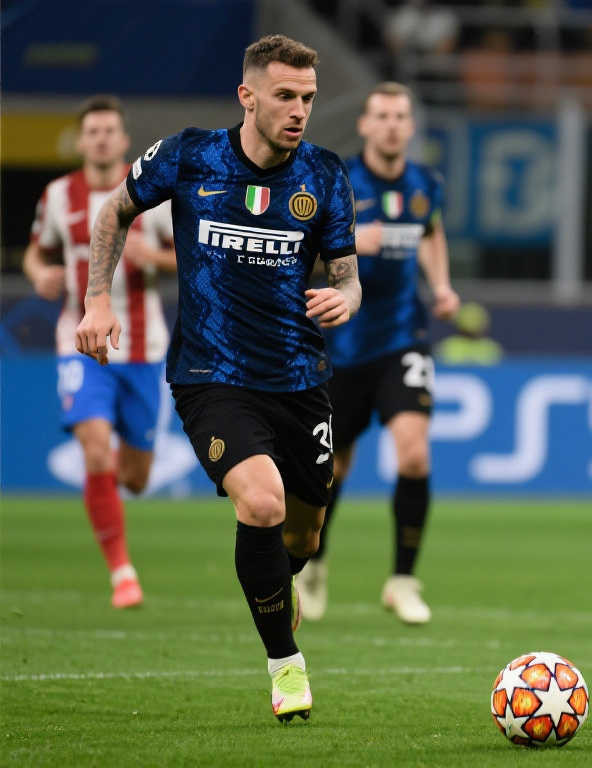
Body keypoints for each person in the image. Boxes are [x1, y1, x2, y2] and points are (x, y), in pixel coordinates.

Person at [75, 35, 360, 723]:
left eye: (308, 98)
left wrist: (347, 298)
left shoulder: (324, 174)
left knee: (302, 538)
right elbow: (114, 210)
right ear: (248, 96)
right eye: (285, 96)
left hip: (299, 377)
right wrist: (97, 299)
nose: (299, 110)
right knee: (260, 503)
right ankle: (286, 667)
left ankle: (278, 586)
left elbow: (347, 276)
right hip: (211, 375)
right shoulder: (189, 155)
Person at [295, 82, 459, 625]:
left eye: (400, 116)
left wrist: (441, 286)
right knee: (333, 467)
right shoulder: (335, 181)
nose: (392, 125)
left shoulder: (425, 183)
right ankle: (314, 564)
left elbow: (430, 233)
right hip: (342, 341)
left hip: (403, 336)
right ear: (364, 125)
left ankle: (403, 581)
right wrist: (344, 246)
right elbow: (297, 250)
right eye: (382, 116)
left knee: (414, 454)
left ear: (410, 126)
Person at [24, 95, 176, 609]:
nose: (102, 139)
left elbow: (191, 256)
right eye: (93, 131)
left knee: (136, 477)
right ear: (82, 141)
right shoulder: (58, 196)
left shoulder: (153, 194)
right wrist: (38, 273)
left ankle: (106, 485)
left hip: (144, 348)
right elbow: (37, 252)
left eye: (110, 131)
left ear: (124, 140)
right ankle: (122, 574)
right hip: (80, 341)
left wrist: (152, 256)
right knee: (94, 448)